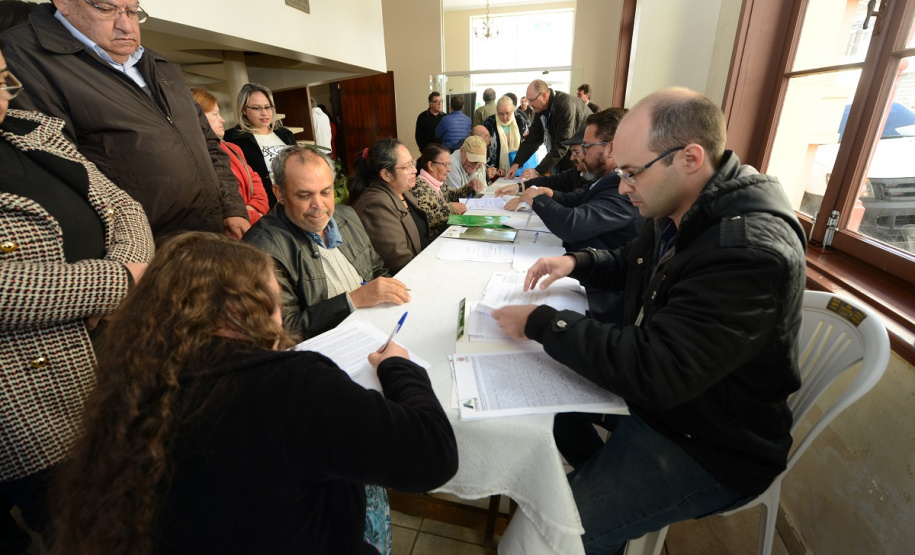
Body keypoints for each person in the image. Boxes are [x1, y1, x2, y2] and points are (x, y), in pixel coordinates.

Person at [491, 87, 807, 555]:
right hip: (674, 406)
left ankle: (595, 510)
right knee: (543, 406)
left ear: (690, 157)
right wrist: (578, 262)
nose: (622, 186)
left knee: (535, 539)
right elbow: (631, 262)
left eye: (631, 172)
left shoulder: (746, 251)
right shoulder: (685, 205)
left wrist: (543, 322)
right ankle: (605, 505)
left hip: (707, 443)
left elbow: (657, 370)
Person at [49, 232, 458, 555]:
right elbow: (434, 454)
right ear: (252, 307)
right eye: (274, 300)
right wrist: (398, 368)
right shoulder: (290, 385)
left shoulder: (135, 384)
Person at [0, 41, 154, 546]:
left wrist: (120, 276)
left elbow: (125, 208)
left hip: (104, 370)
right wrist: (120, 283)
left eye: (5, 80)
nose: (5, 95)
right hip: (27, 406)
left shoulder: (31, 132)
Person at [0, 0, 249, 242]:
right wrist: (131, 254)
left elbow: (208, 143)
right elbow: (59, 178)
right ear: (64, 3)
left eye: (132, 11)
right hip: (142, 253)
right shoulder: (23, 58)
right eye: (107, 9)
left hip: (209, 235)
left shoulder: (156, 63)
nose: (127, 27)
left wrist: (232, 206)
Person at [243, 145, 410, 339]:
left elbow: (377, 269)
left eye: (325, 192)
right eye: (304, 195)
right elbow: (283, 329)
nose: (319, 205)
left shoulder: (347, 215)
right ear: (279, 194)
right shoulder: (259, 250)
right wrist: (352, 300)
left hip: (376, 330)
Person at [503, 108, 642, 322]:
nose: (581, 155)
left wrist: (537, 199)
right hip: (585, 271)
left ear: (612, 149)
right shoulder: (604, 179)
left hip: (601, 297)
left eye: (585, 148)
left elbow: (573, 225)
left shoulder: (621, 187)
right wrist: (543, 193)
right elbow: (576, 199)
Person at [350, 138, 429, 274]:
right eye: (407, 167)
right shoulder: (375, 205)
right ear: (386, 174)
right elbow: (399, 262)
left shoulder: (402, 191)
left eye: (413, 163)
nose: (414, 170)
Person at [191, 88, 270, 226]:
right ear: (197, 118)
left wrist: (254, 210)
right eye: (215, 114)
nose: (222, 120)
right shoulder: (192, 157)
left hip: (253, 224)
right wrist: (247, 215)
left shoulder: (233, 148)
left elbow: (255, 180)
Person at [224, 82, 297, 208]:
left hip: (295, 200)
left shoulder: (285, 134)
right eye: (257, 108)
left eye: (267, 107)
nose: (264, 113)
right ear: (244, 110)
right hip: (266, 207)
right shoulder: (234, 138)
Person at [508, 79, 590, 180]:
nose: (530, 104)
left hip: (582, 158)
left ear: (544, 95)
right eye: (528, 101)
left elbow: (562, 144)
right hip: (567, 157)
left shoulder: (564, 105)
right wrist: (516, 163)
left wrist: (538, 171)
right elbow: (533, 139)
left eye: (532, 100)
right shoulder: (541, 109)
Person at [494, 127, 592, 196]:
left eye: (576, 152)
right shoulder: (577, 172)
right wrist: (521, 186)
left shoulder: (595, 181)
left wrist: (544, 195)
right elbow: (552, 181)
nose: (572, 158)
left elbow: (573, 199)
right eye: (572, 152)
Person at [410, 142, 477, 240]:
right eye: (445, 165)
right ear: (431, 166)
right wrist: (451, 209)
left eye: (449, 164)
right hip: (434, 243)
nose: (449, 169)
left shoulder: (439, 183)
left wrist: (470, 186)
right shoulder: (419, 188)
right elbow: (424, 220)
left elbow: (453, 195)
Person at [482, 95, 529, 177]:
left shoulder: (520, 121)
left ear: (513, 110)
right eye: (500, 114)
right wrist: (493, 169)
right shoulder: (489, 123)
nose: (504, 117)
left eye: (507, 113)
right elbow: (482, 149)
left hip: (519, 171)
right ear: (496, 111)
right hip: (496, 173)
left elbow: (528, 144)